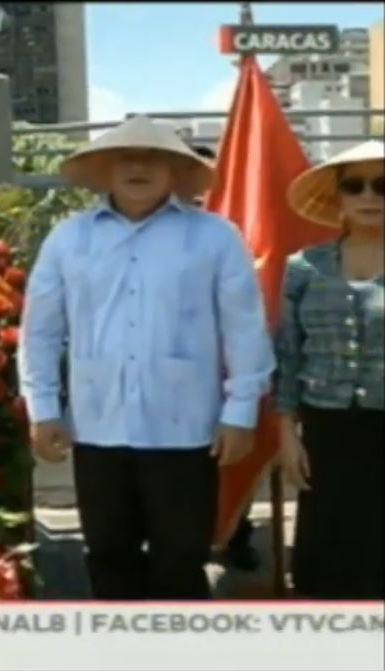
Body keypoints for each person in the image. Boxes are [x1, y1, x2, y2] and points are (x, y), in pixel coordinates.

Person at [18, 116, 275, 600]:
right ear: (105, 170)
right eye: (126, 158)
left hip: (185, 427)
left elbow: (244, 329)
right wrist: (44, 408)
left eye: (154, 158)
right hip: (96, 425)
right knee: (108, 555)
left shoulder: (216, 237)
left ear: (177, 171)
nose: (139, 167)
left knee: (181, 560)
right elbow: (40, 330)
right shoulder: (69, 239)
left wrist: (240, 411)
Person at [276, 140, 384, 600]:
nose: (369, 196)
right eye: (355, 185)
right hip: (326, 428)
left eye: (382, 185)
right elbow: (287, 354)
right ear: (337, 197)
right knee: (327, 555)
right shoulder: (303, 268)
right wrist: (285, 433)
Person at [188, 144, 260, 573]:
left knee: (233, 463)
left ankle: (236, 535)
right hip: (180, 376)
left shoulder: (229, 229)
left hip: (231, 370)